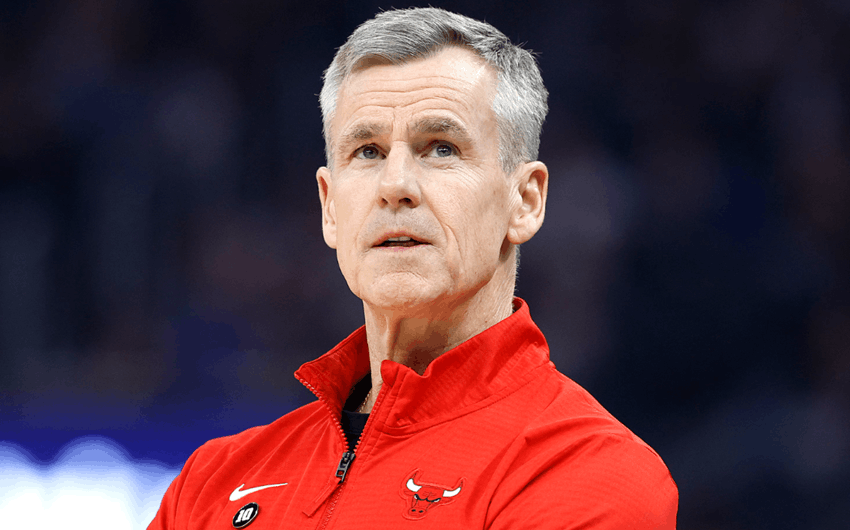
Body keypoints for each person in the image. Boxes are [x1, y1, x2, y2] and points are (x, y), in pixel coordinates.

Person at [148, 7, 678, 529]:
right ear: (330, 208)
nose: (395, 185)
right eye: (367, 151)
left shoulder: (589, 473)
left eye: (441, 148)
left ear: (525, 201)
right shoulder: (211, 482)